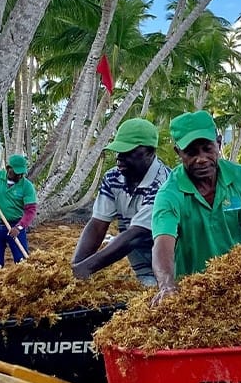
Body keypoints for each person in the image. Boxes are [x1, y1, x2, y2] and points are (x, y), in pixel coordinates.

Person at [151, 110, 241, 295]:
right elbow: (163, 244)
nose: (201, 159)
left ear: (219, 143)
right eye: (191, 153)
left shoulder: (240, 178)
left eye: (207, 149)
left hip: (236, 284)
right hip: (191, 288)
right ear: (178, 152)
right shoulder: (169, 194)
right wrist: (166, 285)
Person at [72, 117, 170, 284]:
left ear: (149, 152)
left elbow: (136, 235)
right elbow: (97, 225)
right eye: (118, 151)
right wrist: (76, 266)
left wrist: (87, 268)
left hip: (171, 266)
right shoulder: (113, 177)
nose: (119, 158)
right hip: (141, 267)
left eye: (128, 152)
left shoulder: (164, 183)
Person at [0, 154, 37, 268]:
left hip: (15, 226)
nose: (19, 175)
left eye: (21, 173)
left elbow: (30, 211)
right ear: (8, 168)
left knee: (22, 262)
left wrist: (19, 227)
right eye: (16, 172)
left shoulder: (27, 186)